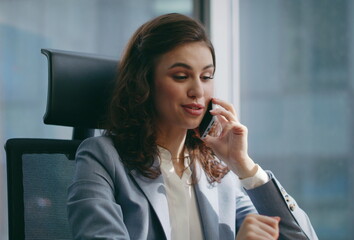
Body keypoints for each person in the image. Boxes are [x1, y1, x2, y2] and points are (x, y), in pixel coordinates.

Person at [67, 13, 318, 240]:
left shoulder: (218, 173)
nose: (198, 91)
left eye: (206, 77)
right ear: (145, 82)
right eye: (181, 76)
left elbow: (301, 238)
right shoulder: (102, 158)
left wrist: (243, 165)